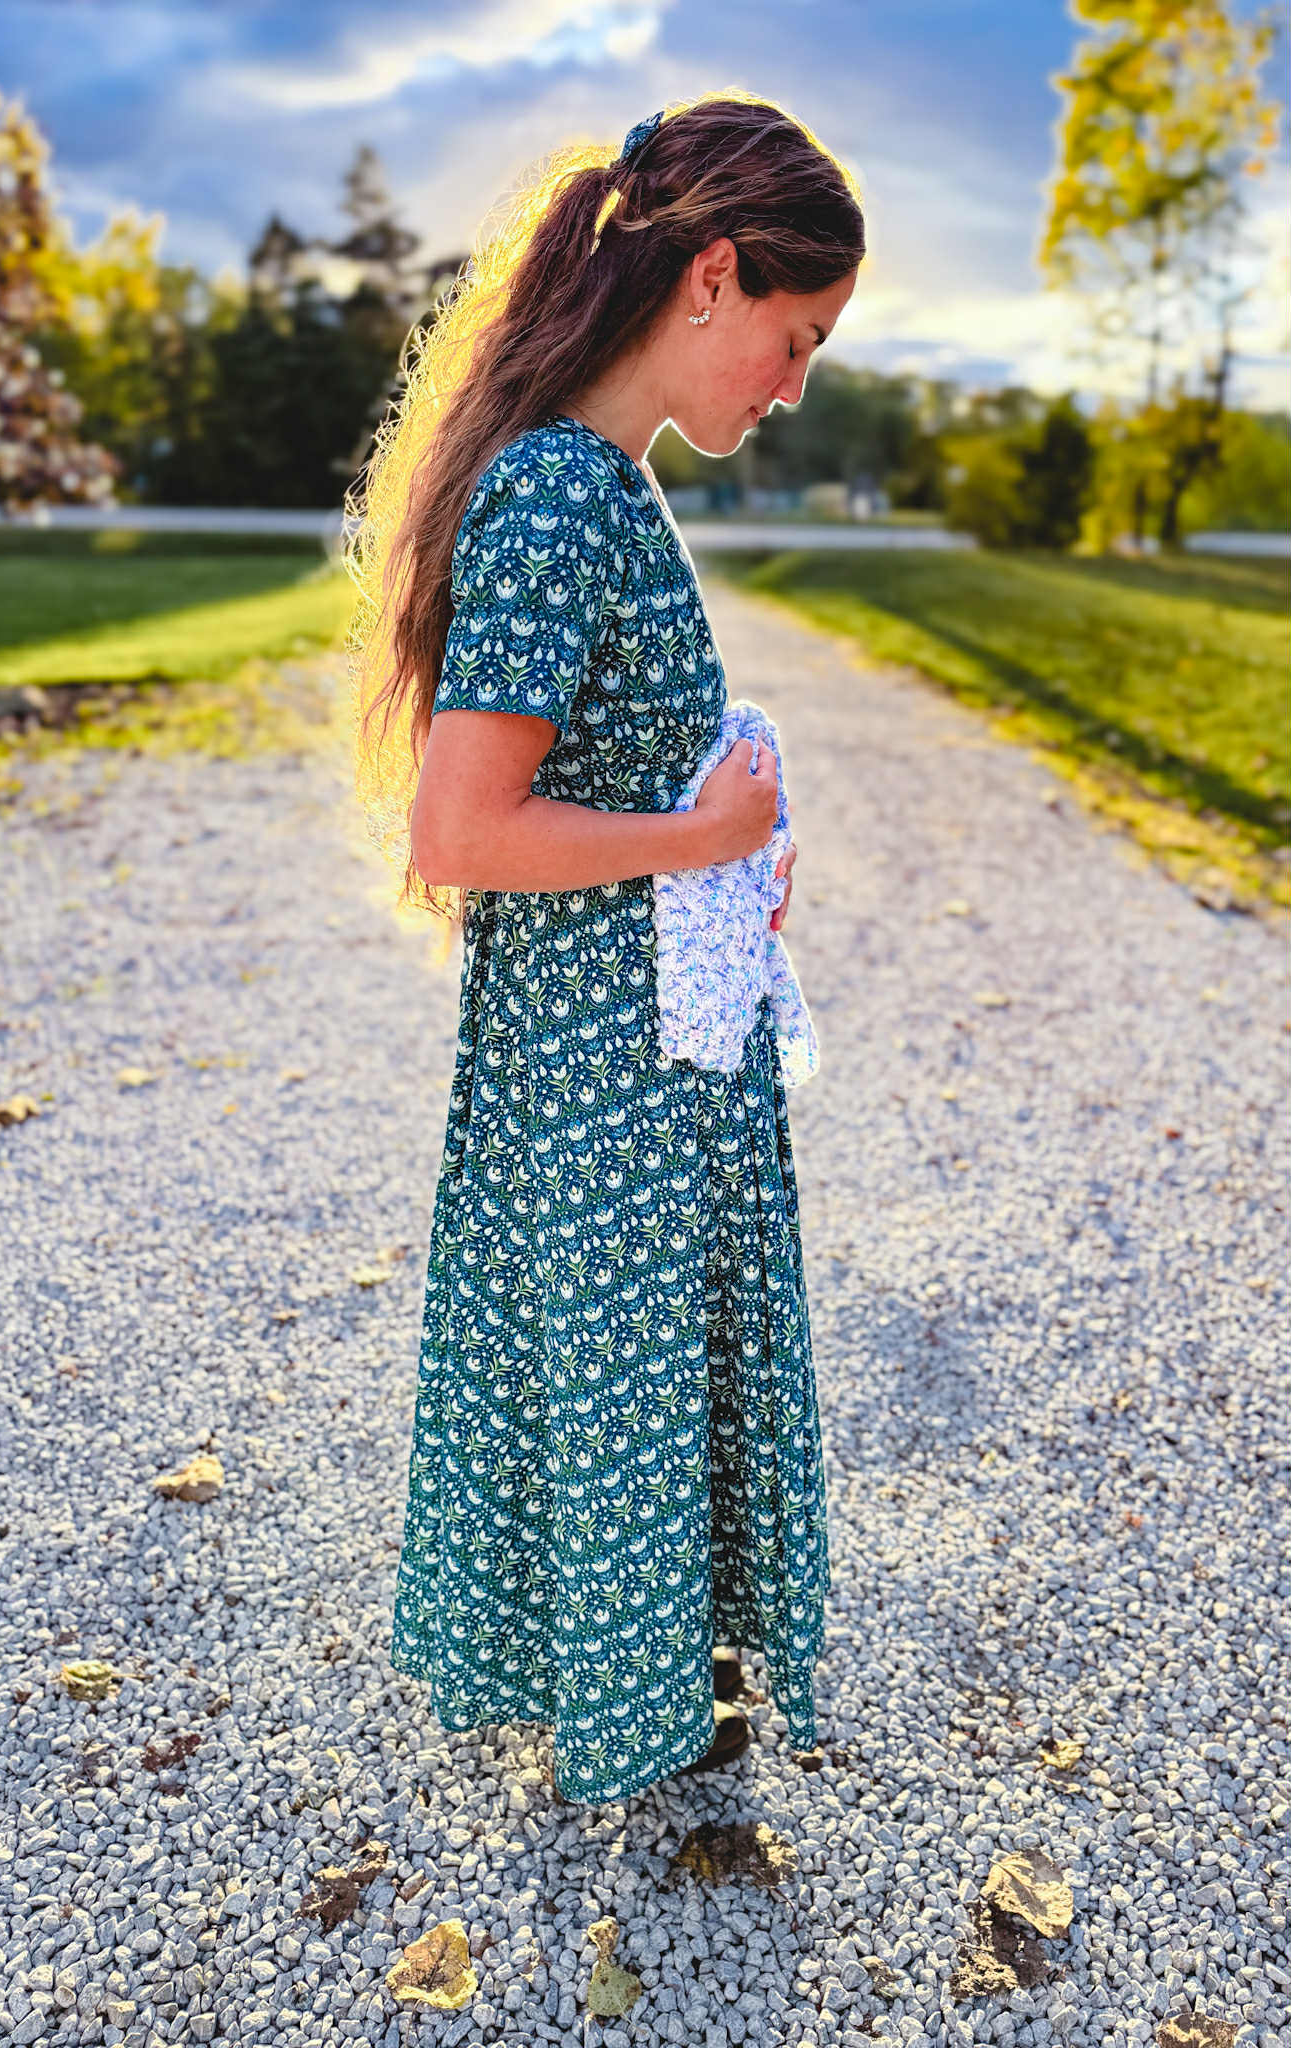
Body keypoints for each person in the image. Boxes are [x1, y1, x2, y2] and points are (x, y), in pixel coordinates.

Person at [342, 88, 865, 1806]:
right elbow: (459, 829)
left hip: (636, 1050)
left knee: (632, 1384)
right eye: (794, 337)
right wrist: (704, 838)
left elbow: (586, 784)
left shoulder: (604, 483)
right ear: (711, 275)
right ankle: (628, 1726)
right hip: (599, 1079)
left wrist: (728, 860)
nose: (792, 388)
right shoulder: (562, 496)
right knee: (619, 1390)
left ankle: (645, 1694)